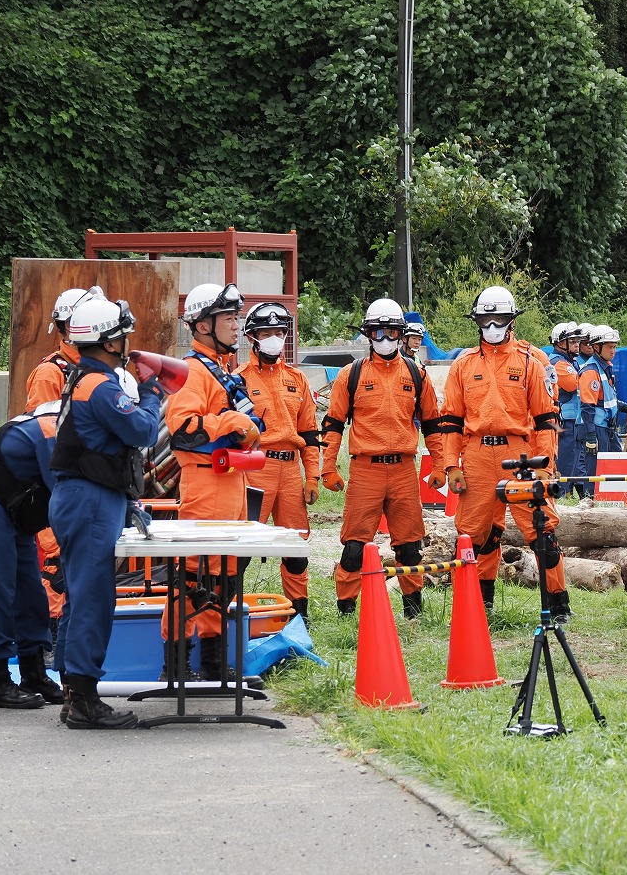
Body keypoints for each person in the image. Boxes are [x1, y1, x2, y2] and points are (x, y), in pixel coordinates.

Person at [50, 295, 161, 728]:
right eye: (122, 333)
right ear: (109, 341)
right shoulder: (101, 386)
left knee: (82, 595)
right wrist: (152, 393)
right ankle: (83, 701)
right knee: (94, 597)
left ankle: (73, 691)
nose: (127, 341)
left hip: (87, 496)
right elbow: (142, 429)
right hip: (89, 499)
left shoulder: (84, 377)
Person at [437, 286, 570, 617]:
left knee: (542, 531)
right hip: (477, 455)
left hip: (521, 454)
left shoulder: (531, 363)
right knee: (475, 534)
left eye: (499, 318)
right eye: (486, 318)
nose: (492, 325)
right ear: (477, 321)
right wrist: (450, 466)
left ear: (511, 320)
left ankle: (558, 602)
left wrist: (546, 467)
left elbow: (545, 421)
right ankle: (478, 603)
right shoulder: (462, 365)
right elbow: (451, 423)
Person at [321, 298, 446, 618]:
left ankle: (413, 610)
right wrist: (328, 467)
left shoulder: (417, 374)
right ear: (368, 334)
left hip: (404, 469)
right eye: (378, 332)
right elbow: (333, 423)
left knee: (410, 547)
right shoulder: (351, 375)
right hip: (365, 470)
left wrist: (442, 463)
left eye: (391, 331)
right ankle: (346, 609)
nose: (385, 338)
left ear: (401, 333)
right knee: (354, 546)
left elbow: (432, 423)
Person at [163, 283, 263, 681]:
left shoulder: (221, 370)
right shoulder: (192, 372)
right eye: (229, 318)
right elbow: (182, 431)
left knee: (224, 576)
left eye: (237, 317)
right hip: (205, 483)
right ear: (204, 325)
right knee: (193, 576)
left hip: (231, 480)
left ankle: (214, 664)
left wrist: (247, 426)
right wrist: (231, 423)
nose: (237, 325)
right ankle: (176, 666)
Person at [0, 401, 64, 709]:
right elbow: (65, 491)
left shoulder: (71, 419)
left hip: (15, 499)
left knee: (30, 589)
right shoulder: (54, 429)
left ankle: (34, 674)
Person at [238, 302, 321, 622]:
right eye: (266, 332)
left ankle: (298, 613)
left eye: (279, 332)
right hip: (255, 468)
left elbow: (310, 432)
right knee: (241, 545)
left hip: (290, 470)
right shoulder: (238, 378)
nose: (274, 338)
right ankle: (231, 609)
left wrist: (312, 475)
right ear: (252, 337)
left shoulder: (298, 379)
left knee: (296, 544)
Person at [26, 285, 100, 640]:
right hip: (53, 481)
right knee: (54, 559)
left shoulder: (89, 370)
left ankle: (62, 630)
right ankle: (49, 633)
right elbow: (42, 435)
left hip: (81, 479)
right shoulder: (51, 374)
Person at [578, 325, 627, 506]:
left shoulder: (605, 368)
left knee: (615, 462)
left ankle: (614, 500)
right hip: (595, 428)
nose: (613, 351)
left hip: (607, 427)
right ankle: (589, 500)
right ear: (596, 347)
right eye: (609, 347)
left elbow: (608, 399)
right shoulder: (591, 371)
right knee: (595, 466)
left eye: (614, 347)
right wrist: (590, 435)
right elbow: (587, 406)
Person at [549, 322, 584, 495]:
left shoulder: (571, 362)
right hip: (564, 423)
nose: (577, 343)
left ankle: (566, 494)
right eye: (572, 340)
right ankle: (559, 496)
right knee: (564, 463)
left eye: (577, 340)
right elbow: (573, 384)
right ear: (560, 342)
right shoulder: (557, 363)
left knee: (574, 463)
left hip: (573, 422)